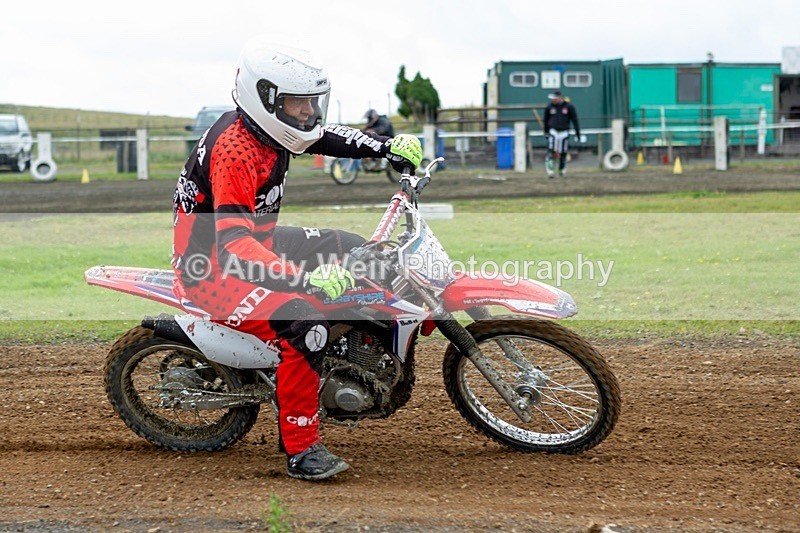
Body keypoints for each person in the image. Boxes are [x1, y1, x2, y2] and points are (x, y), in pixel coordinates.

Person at [171, 38, 422, 481]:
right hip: (212, 267)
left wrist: (386, 146)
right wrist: (305, 279)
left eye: (312, 101)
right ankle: (301, 449)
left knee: (351, 246)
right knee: (306, 326)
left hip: (257, 243)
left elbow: (324, 138)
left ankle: (362, 352)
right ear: (265, 98)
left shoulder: (270, 128)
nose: (308, 111)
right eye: (298, 102)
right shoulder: (235, 151)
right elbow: (233, 247)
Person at [543, 91, 581, 177]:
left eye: (554, 98)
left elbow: (575, 120)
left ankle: (562, 170)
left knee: (563, 152)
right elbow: (545, 120)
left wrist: (577, 133)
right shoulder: (549, 107)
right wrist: (546, 132)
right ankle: (550, 171)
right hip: (553, 131)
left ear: (559, 97)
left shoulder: (569, 106)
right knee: (551, 151)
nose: (553, 100)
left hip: (564, 132)